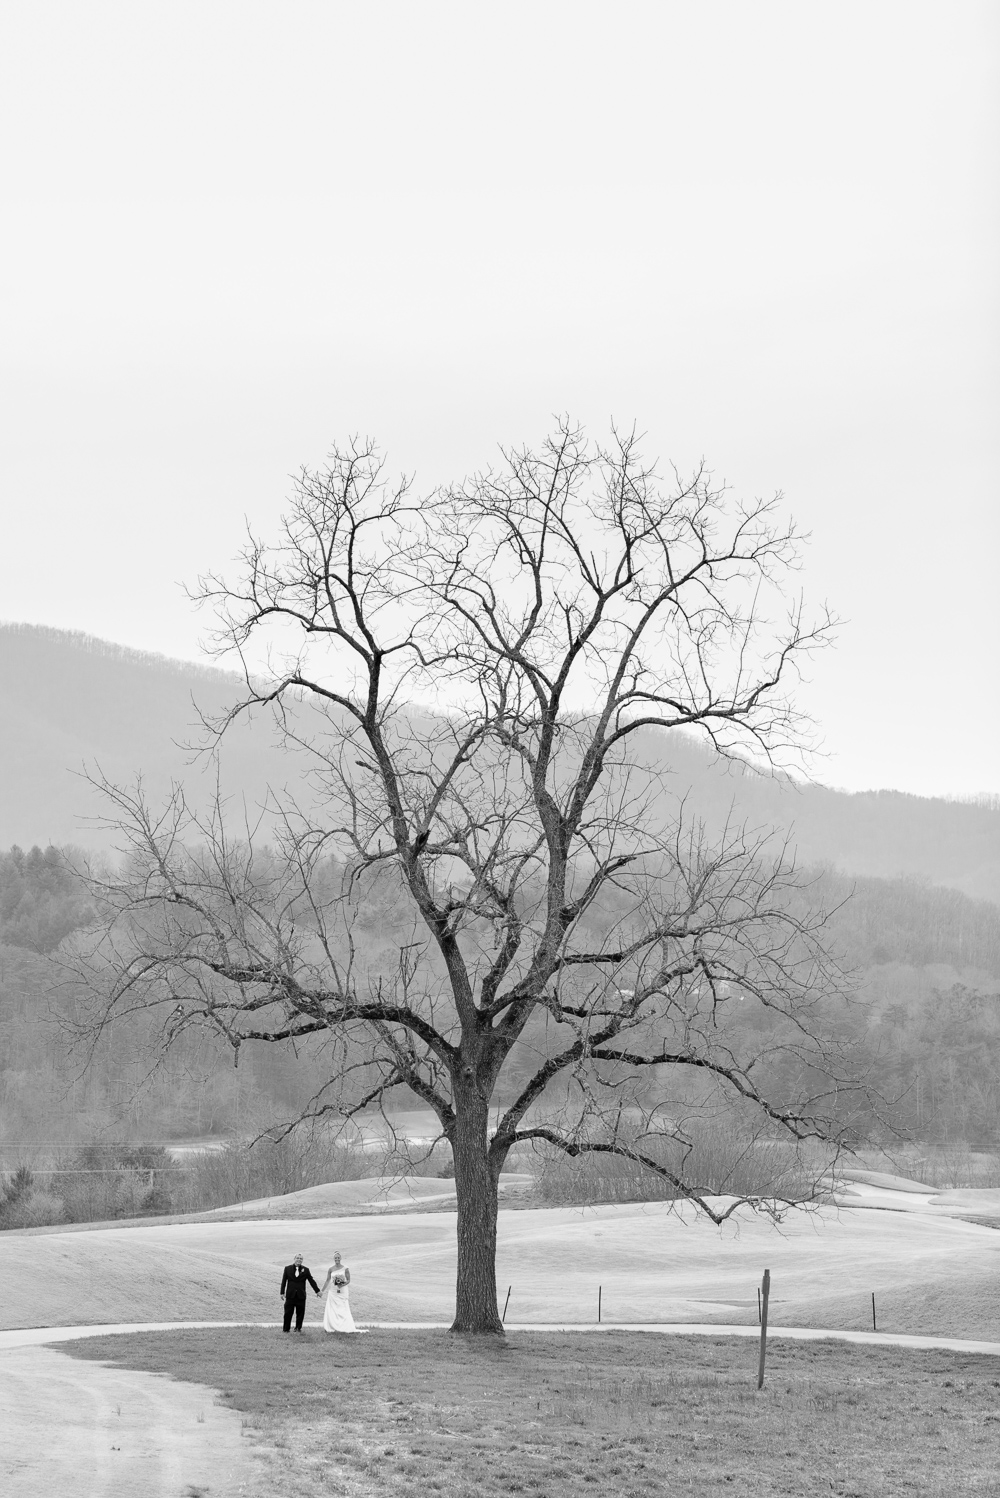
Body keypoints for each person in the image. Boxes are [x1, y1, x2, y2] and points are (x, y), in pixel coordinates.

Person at [320, 1250, 365, 1334]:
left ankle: (345, 1326)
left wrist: (342, 1284)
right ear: (333, 1258)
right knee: (332, 1309)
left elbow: (348, 1280)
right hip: (333, 1291)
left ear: (340, 1258)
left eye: (338, 1257)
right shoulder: (330, 1269)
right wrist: (322, 1291)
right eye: (335, 1258)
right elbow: (327, 1280)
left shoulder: (345, 1268)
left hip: (342, 1291)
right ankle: (332, 1326)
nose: (337, 1259)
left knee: (343, 1308)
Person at [280, 1252, 321, 1333]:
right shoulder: (287, 1269)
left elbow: (311, 1281)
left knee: (300, 1314)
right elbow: (284, 1281)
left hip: (301, 1296)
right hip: (290, 1295)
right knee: (288, 1313)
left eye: (301, 1258)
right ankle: (286, 1329)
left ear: (302, 1260)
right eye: (297, 1258)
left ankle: (298, 1328)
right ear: (294, 1259)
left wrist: (317, 1291)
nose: (299, 1260)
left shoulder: (306, 1270)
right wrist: (282, 1292)